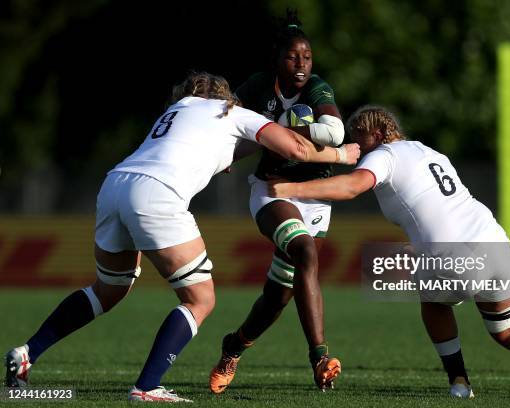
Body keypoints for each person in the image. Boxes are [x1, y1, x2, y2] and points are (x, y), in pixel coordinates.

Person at [3, 71, 359, 402]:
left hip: (115, 184)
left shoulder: (177, 109)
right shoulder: (232, 111)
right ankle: (146, 387)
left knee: (108, 289)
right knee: (200, 299)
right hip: (157, 194)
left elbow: (228, 151)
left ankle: (27, 354)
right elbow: (295, 148)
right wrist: (343, 154)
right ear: (225, 96)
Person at [268, 105, 510, 401]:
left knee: (433, 304)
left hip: (450, 252)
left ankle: (458, 382)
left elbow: (352, 187)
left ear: (381, 132)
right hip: (494, 240)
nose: (354, 147)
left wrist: (292, 189)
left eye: (359, 137)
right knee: (509, 328)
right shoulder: (429, 152)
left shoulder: (384, 155)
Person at [209, 10, 345, 393]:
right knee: (306, 252)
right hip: (272, 189)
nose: (301, 64)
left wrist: (282, 128)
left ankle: (233, 346)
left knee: (277, 297)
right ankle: (320, 357)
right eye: (292, 57)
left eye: (306, 57)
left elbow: (334, 133)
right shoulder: (257, 87)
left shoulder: (317, 87)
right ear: (277, 59)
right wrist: (223, 156)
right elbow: (224, 124)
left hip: (314, 197)